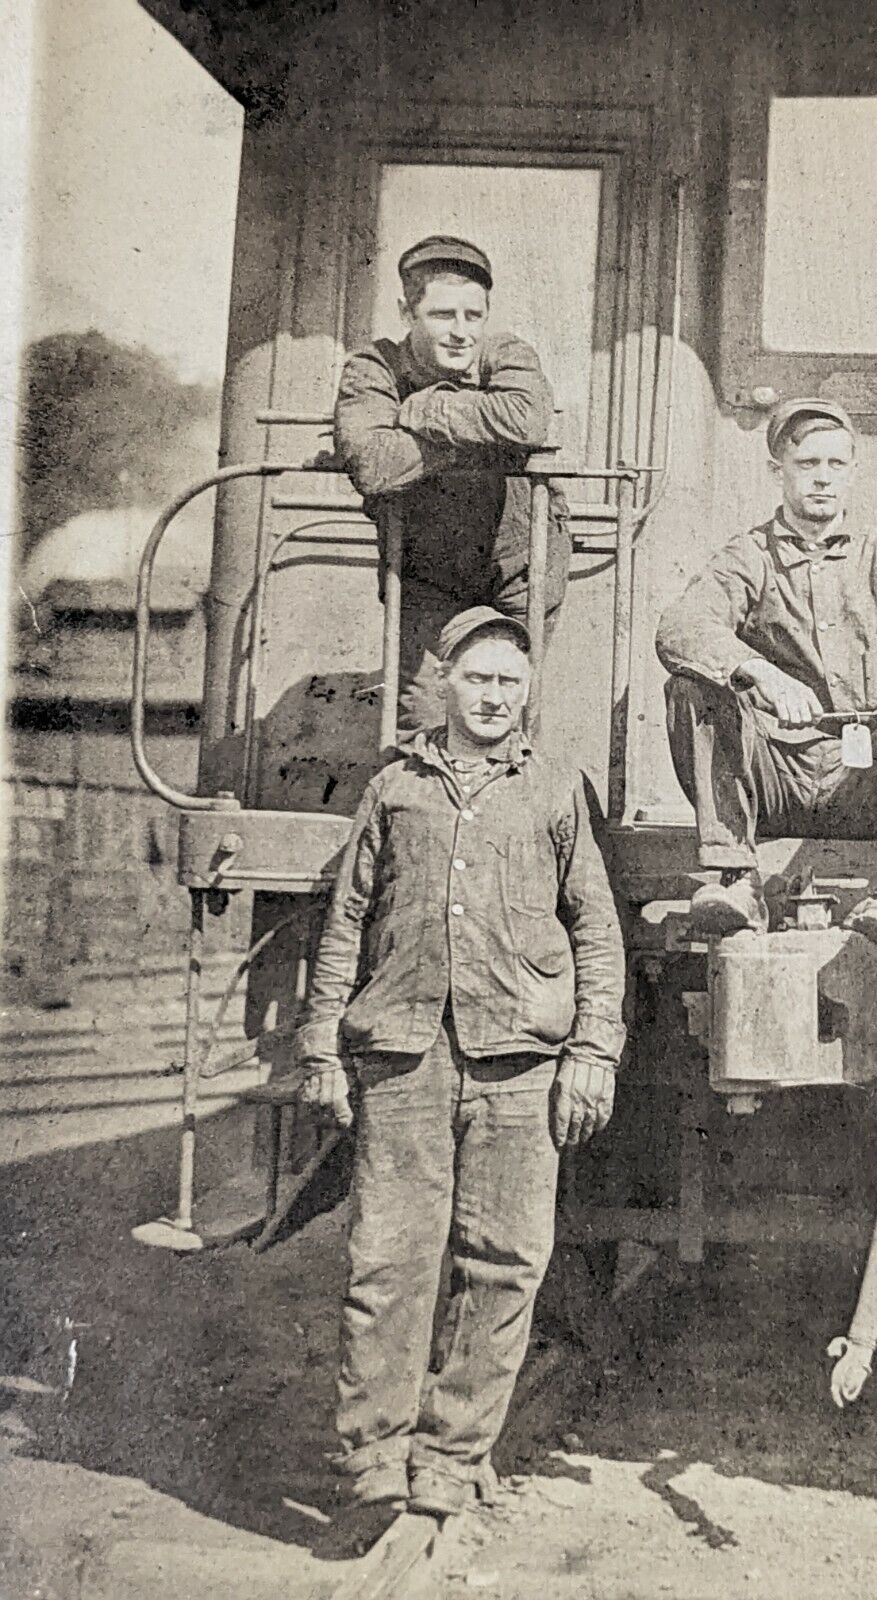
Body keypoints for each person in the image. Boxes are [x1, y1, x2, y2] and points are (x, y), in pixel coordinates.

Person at [294, 606, 626, 1545]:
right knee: (388, 1262)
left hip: (520, 1063)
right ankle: (371, 1455)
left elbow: (596, 931)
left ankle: (450, 1457)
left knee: (506, 1265)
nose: (492, 699)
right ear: (443, 685)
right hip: (402, 1056)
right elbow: (348, 920)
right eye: (478, 681)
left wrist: (593, 1051)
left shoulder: (556, 791)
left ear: (527, 698)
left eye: (510, 685)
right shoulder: (394, 790)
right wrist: (322, 1043)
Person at [655, 396, 877, 957]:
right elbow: (683, 627)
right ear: (777, 472)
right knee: (692, 687)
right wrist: (756, 672)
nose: (822, 480)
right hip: (776, 777)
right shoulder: (749, 555)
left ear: (852, 473)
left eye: (836, 466)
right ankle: (738, 879)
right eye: (807, 465)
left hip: (866, 782)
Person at [334, 234, 572, 731]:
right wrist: (485, 435)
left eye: (473, 316)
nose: (461, 332)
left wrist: (424, 408)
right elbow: (375, 463)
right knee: (422, 716)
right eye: (443, 315)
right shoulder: (374, 366)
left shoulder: (506, 351)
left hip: (520, 561)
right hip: (425, 571)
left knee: (512, 715)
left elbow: (528, 420)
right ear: (407, 313)